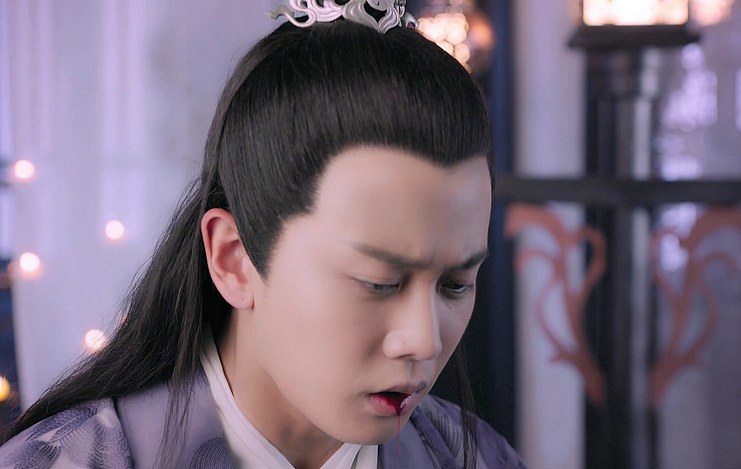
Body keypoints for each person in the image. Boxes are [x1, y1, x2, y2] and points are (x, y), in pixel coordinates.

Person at [0, 1, 525, 467]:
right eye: (379, 282)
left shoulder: (478, 457)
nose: (424, 340)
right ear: (233, 259)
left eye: (455, 285)